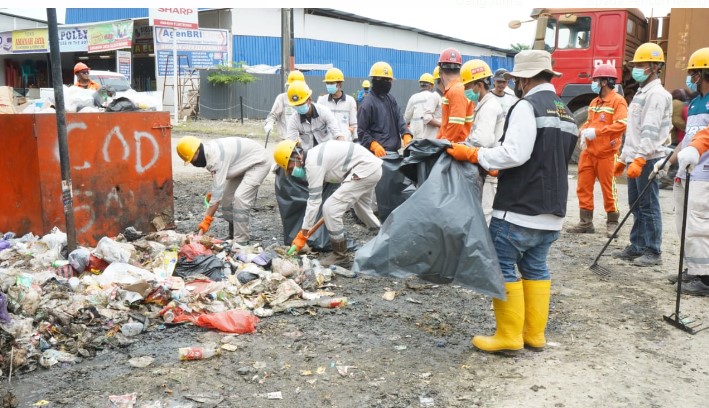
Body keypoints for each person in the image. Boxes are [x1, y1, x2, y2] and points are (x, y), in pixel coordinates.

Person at [446, 50, 578, 353]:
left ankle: (508, 336)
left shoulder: (527, 106)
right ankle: (534, 335)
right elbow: (550, 156)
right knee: (535, 267)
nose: (516, 85)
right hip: (553, 209)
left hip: (519, 207)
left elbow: (515, 153)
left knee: (503, 265)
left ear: (525, 79)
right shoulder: (566, 111)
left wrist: (477, 155)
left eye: (517, 80)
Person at [274, 139, 382, 266]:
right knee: (362, 210)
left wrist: (303, 233)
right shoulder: (315, 155)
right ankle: (384, 239)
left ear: (296, 157)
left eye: (290, 167)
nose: (292, 171)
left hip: (363, 169)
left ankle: (340, 255)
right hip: (370, 168)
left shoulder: (313, 164)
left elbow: (314, 202)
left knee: (330, 209)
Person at [612, 43, 672, 267]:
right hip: (636, 157)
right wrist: (623, 157)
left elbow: (651, 129)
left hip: (649, 158)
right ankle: (637, 245)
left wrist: (640, 157)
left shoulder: (657, 94)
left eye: (642, 64)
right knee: (636, 205)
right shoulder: (640, 92)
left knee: (649, 206)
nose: (637, 68)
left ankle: (653, 250)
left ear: (655, 67)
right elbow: (633, 130)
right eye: (636, 64)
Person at [656, 47, 709, 295]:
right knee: (684, 224)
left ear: (703, 73)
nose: (690, 77)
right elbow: (687, 140)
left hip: (704, 174)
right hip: (687, 170)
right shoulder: (696, 102)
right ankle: (692, 269)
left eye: (693, 72)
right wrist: (668, 160)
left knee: (699, 225)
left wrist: (694, 152)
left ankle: (705, 279)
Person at [567, 63, 628, 238]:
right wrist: (583, 132)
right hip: (589, 153)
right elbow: (590, 122)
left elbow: (621, 125)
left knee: (608, 189)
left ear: (604, 82)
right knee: (583, 187)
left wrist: (597, 132)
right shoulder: (594, 102)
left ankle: (612, 223)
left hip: (607, 154)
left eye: (596, 80)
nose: (594, 83)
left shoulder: (618, 101)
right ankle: (586, 222)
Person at [175, 135, 271, 244]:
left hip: (258, 162)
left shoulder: (215, 158)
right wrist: (215, 190)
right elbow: (218, 181)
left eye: (192, 160)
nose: (194, 164)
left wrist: (206, 222)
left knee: (240, 198)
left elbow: (215, 200)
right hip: (242, 164)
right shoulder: (208, 152)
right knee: (227, 199)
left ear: (197, 151)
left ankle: (241, 240)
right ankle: (233, 233)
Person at [460, 59, 504, 225]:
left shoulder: (489, 106)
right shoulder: (484, 104)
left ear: (478, 85)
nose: (466, 91)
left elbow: (483, 139)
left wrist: (463, 146)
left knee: (485, 218)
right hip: (487, 166)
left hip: (491, 169)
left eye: (467, 86)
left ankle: (485, 250)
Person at [357, 61, 412, 157]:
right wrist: (373, 145)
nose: (387, 83)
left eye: (389, 81)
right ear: (375, 80)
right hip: (375, 155)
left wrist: (406, 134)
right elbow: (362, 131)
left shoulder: (390, 99)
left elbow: (399, 118)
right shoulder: (367, 104)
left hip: (393, 153)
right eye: (385, 80)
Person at [285, 80, 345, 150]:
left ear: (309, 99)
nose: (299, 107)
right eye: (296, 105)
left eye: (301, 104)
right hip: (308, 155)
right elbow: (291, 143)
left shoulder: (324, 111)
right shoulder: (293, 120)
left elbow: (337, 133)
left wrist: (342, 147)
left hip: (327, 152)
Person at [436, 47, 474, 143]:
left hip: (455, 148)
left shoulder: (456, 90)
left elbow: (456, 124)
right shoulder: (456, 88)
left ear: (440, 70)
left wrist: (443, 145)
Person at [317, 68, 358, 142]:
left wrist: (351, 137)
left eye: (331, 83)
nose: (329, 85)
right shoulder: (322, 101)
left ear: (339, 84)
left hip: (345, 144)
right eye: (327, 83)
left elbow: (354, 125)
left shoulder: (350, 101)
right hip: (327, 145)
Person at [264, 70, 305, 139]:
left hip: (303, 141)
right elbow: (273, 115)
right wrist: (269, 124)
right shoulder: (282, 98)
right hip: (286, 140)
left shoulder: (305, 98)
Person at [403, 73, 441, 140]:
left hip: (416, 136)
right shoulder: (435, 97)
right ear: (432, 86)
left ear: (420, 85)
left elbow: (406, 118)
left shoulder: (413, 97)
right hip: (431, 137)